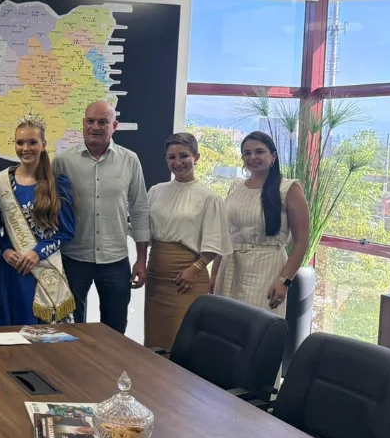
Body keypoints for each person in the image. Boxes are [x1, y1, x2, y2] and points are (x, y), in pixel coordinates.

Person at [52, 100, 150, 332]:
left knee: (115, 329)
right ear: (83, 124)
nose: (95, 126)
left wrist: (141, 259)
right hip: (73, 259)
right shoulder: (62, 162)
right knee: (70, 328)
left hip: (115, 260)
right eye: (90, 121)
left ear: (114, 126)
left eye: (102, 122)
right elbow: (51, 210)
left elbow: (139, 209)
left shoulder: (130, 160)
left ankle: (111, 369)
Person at [145, 133, 231, 350]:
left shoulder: (209, 197)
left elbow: (215, 241)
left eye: (184, 156)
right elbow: (145, 231)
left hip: (187, 279)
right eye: (171, 157)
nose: (177, 162)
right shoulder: (156, 191)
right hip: (156, 277)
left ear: (197, 157)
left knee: (183, 340)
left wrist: (195, 269)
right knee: (155, 340)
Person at [212, 131, 310, 315]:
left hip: (266, 269)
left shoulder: (289, 188)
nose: (253, 157)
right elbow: (224, 234)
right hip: (230, 266)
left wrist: (284, 281)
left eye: (259, 152)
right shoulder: (236, 186)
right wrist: (214, 273)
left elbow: (301, 242)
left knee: (257, 329)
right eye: (247, 153)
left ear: (273, 156)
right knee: (225, 327)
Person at [0, 114, 76, 326]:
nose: (25, 148)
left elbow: (67, 231)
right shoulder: (1, 181)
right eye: (20, 143)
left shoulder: (58, 183)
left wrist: (36, 253)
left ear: (43, 145)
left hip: (43, 268)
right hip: (10, 270)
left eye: (32, 142)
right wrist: (4, 250)